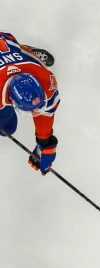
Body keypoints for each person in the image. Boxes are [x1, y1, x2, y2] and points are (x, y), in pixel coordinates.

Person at [0, 31, 59, 175]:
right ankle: (20, 51)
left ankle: (23, 50)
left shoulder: (45, 79)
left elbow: (47, 111)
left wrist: (45, 143)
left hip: (5, 44)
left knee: (8, 126)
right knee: (6, 126)